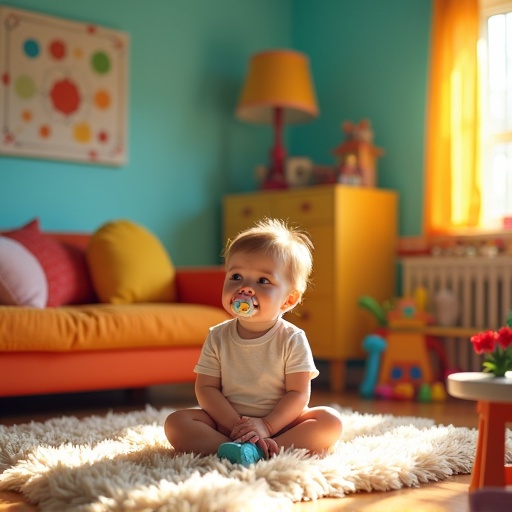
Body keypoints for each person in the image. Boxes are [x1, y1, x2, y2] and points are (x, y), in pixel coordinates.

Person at [164, 218, 343, 466]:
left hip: (280, 424)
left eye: (262, 281)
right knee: (176, 424)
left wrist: (266, 426)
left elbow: (298, 393)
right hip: (226, 424)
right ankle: (227, 449)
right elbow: (206, 389)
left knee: (330, 421)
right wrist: (237, 426)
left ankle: (267, 449)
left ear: (288, 300)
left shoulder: (292, 339)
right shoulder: (217, 336)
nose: (245, 289)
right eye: (236, 276)